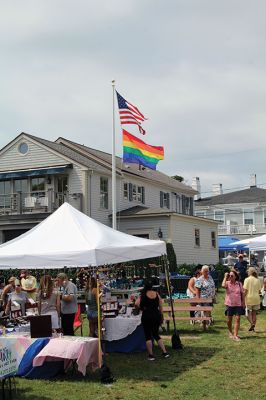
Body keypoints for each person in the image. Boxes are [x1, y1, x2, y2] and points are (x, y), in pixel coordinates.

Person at [135, 280, 169, 361]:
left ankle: (151, 355)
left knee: (148, 336)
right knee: (156, 334)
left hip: (146, 315)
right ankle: (165, 352)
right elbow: (160, 305)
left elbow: (136, 304)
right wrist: (162, 316)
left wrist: (140, 308)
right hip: (156, 315)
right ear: (152, 287)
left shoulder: (143, 295)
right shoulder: (156, 294)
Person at [222, 269, 244, 341]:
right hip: (229, 304)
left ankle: (235, 335)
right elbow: (222, 285)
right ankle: (230, 332)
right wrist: (225, 276)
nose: (230, 277)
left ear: (235, 277)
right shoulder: (227, 283)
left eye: (232, 276)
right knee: (229, 320)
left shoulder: (239, 284)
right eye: (229, 275)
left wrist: (243, 302)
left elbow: (242, 293)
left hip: (238, 304)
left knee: (238, 319)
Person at [243, 267, 261, 332]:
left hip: (249, 298)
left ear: (249, 272)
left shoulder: (246, 279)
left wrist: (242, 298)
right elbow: (259, 291)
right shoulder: (258, 280)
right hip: (256, 299)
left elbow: (245, 291)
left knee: (248, 313)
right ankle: (253, 327)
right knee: (254, 313)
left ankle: (252, 324)